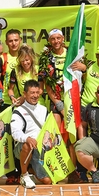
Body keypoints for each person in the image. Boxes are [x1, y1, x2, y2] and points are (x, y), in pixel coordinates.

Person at [39, 28, 86, 183]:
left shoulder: (72, 53)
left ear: (63, 39)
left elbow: (86, 69)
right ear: (50, 41)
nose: (56, 41)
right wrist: (57, 103)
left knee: (73, 137)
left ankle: (74, 171)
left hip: (72, 99)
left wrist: (83, 67)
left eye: (59, 38)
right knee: (55, 137)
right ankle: (56, 170)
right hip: (56, 101)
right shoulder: (46, 57)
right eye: (53, 39)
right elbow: (46, 83)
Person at [10, 80, 52, 189]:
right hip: (23, 148)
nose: (35, 95)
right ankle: (24, 175)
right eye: (32, 93)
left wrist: (48, 139)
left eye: (37, 92)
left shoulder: (44, 109)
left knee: (48, 181)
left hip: (40, 149)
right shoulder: (18, 111)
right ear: (25, 94)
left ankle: (31, 169)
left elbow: (49, 129)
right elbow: (15, 132)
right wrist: (27, 138)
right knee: (27, 145)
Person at [0, 30, 23, 185]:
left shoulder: (25, 57)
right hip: (6, 103)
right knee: (7, 140)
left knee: (20, 138)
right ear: (6, 42)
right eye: (10, 40)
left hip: (23, 104)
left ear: (20, 40)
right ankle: (11, 173)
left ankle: (23, 171)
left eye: (16, 40)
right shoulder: (3, 58)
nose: (13, 43)